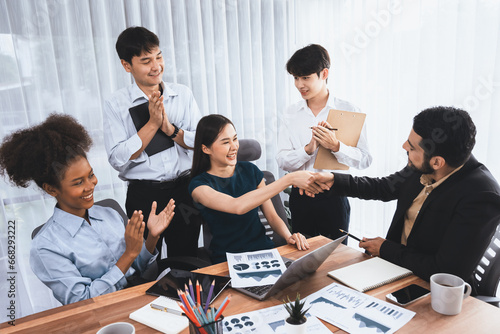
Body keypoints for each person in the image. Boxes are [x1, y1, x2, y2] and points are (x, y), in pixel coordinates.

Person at [305, 106, 500, 290]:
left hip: (432, 291)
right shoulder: (425, 165)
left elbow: (446, 271)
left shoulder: (482, 196)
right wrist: (333, 180)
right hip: (396, 271)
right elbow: (384, 187)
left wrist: (385, 249)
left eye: (412, 147)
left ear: (437, 162)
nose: (404, 146)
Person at [0, 114, 175, 305]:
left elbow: (142, 272)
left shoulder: (109, 213)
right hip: (104, 316)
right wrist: (128, 255)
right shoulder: (45, 247)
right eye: (78, 182)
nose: (91, 185)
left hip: (144, 300)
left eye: (90, 175)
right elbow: (83, 301)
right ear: (51, 189)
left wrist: (152, 238)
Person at [103, 26, 203, 258]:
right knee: (144, 264)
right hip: (143, 195)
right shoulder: (116, 104)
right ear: (127, 65)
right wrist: (151, 124)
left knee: (186, 259)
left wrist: (169, 129)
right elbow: (117, 158)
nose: (156, 66)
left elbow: (200, 141)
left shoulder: (182, 94)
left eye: (159, 57)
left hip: (183, 191)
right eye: (146, 61)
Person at [188, 115, 321, 263]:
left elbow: (272, 216)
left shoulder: (250, 170)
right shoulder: (199, 185)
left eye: (235, 138)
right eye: (226, 142)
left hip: (265, 253)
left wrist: (288, 236)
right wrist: (288, 179)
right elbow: (237, 206)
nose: (234, 147)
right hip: (228, 261)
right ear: (206, 149)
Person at [276, 44, 372, 242]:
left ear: (324, 73)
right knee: (302, 259)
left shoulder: (348, 110)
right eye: (295, 78)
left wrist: (336, 146)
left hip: (334, 197)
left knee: (337, 258)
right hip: (301, 196)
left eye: (305, 77)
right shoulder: (290, 114)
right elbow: (282, 160)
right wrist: (307, 150)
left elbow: (364, 160)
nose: (299, 84)